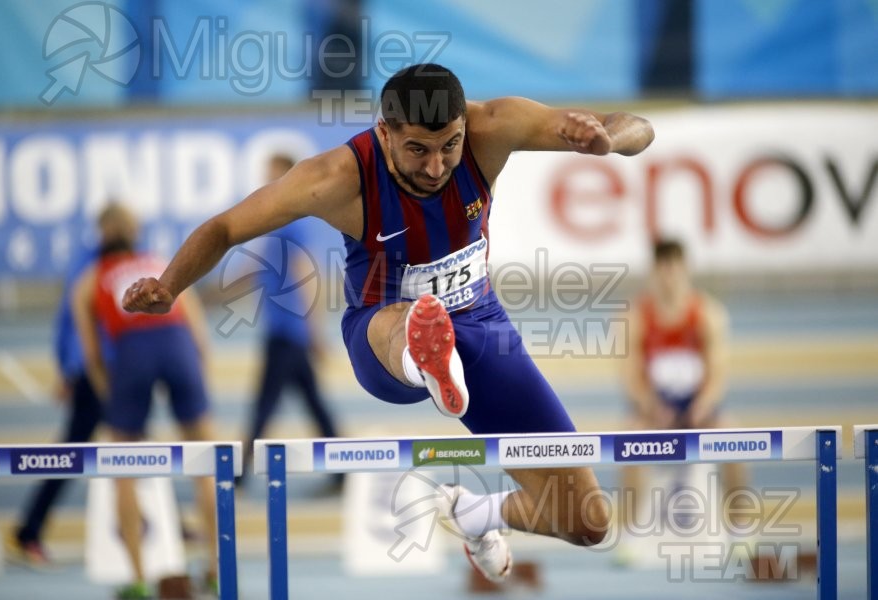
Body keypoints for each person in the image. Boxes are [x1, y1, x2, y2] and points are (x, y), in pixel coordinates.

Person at [123, 63, 654, 582]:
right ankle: (424, 354)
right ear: (384, 132)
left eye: (449, 146)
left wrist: (606, 141)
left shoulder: (495, 126)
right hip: (382, 336)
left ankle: (476, 514)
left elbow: (637, 127)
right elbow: (226, 227)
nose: (435, 167)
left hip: (482, 326)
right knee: (407, 318)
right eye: (417, 150)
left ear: (465, 128)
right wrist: (169, 285)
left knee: (588, 522)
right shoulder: (334, 177)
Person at [72, 204, 219, 600]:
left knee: (123, 467)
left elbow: (91, 355)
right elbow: (197, 327)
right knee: (207, 459)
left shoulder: (89, 280)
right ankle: (216, 568)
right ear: (134, 232)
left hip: (131, 353)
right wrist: (199, 371)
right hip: (176, 344)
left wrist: (112, 398)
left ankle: (137, 578)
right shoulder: (159, 263)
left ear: (101, 235)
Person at [620, 239, 745, 531]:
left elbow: (717, 373)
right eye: (662, 269)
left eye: (674, 268)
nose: (669, 276)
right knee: (628, 437)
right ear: (653, 272)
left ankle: (741, 525)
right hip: (655, 410)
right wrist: (652, 407)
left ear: (685, 269)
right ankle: (629, 530)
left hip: (699, 410)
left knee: (733, 434)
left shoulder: (707, 313)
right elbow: (630, 376)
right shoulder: (636, 316)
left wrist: (703, 405)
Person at [240, 154, 341, 488]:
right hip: (285, 331)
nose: (266, 182)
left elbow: (306, 273)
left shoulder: (292, 222)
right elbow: (257, 269)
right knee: (313, 402)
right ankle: (342, 471)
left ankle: (237, 474)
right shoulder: (276, 224)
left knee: (265, 404)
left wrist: (315, 331)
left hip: (289, 331)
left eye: (272, 175)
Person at [8, 243, 103, 568]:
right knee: (73, 452)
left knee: (140, 448)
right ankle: (28, 530)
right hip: (101, 372)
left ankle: (29, 530)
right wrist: (67, 368)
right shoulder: (90, 266)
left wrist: (65, 367)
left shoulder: (88, 262)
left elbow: (64, 320)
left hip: (105, 371)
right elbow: (68, 318)